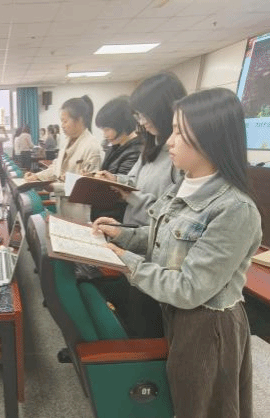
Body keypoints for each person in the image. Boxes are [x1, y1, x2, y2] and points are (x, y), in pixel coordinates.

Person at [93, 88, 261, 418]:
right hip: (175, 314)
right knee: (181, 399)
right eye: (172, 130)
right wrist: (123, 235)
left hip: (207, 326)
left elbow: (189, 288)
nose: (170, 141)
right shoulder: (183, 182)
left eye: (180, 133)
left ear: (211, 137)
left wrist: (125, 261)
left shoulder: (235, 209)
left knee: (204, 406)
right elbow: (162, 238)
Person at [94, 73, 187, 338]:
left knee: (148, 318)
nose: (142, 122)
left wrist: (130, 196)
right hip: (135, 235)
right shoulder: (152, 145)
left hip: (154, 248)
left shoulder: (180, 154)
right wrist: (116, 180)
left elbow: (170, 214)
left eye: (146, 115)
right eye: (139, 116)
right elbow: (135, 180)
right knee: (132, 310)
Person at [25, 96, 103, 221]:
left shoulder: (92, 147)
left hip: (80, 211)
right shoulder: (67, 141)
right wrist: (37, 176)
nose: (62, 126)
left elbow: (88, 187)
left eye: (65, 121)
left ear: (79, 120)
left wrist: (54, 187)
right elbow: (56, 167)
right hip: (63, 205)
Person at [89, 96, 142, 222]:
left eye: (107, 129)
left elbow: (119, 190)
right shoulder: (115, 146)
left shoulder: (136, 150)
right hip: (104, 214)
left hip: (117, 217)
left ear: (122, 125)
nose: (104, 135)